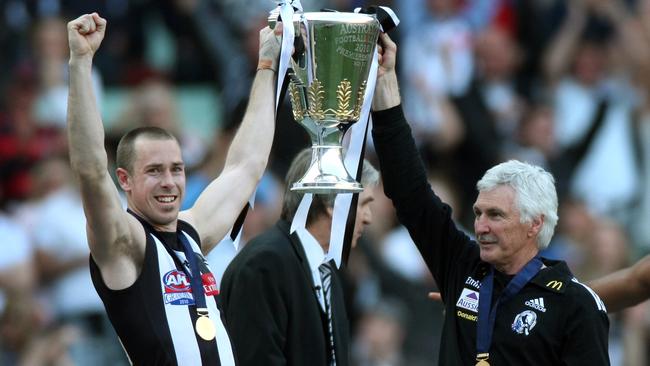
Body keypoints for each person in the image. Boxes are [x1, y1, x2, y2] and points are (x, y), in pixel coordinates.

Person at [370, 32, 610, 365]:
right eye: (479, 212)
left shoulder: (574, 304)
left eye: (495, 215)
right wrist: (385, 94)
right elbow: (410, 193)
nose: (480, 225)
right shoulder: (462, 265)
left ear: (534, 223)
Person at [66, 12, 280, 365]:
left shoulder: (192, 232)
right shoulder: (126, 243)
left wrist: (267, 65)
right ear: (124, 179)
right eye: (153, 170)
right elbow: (90, 169)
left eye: (176, 169)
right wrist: (80, 62)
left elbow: (247, 165)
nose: (169, 181)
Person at [219, 148, 378, 366]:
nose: (369, 218)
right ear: (333, 204)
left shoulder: (331, 271)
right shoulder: (265, 264)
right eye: (364, 204)